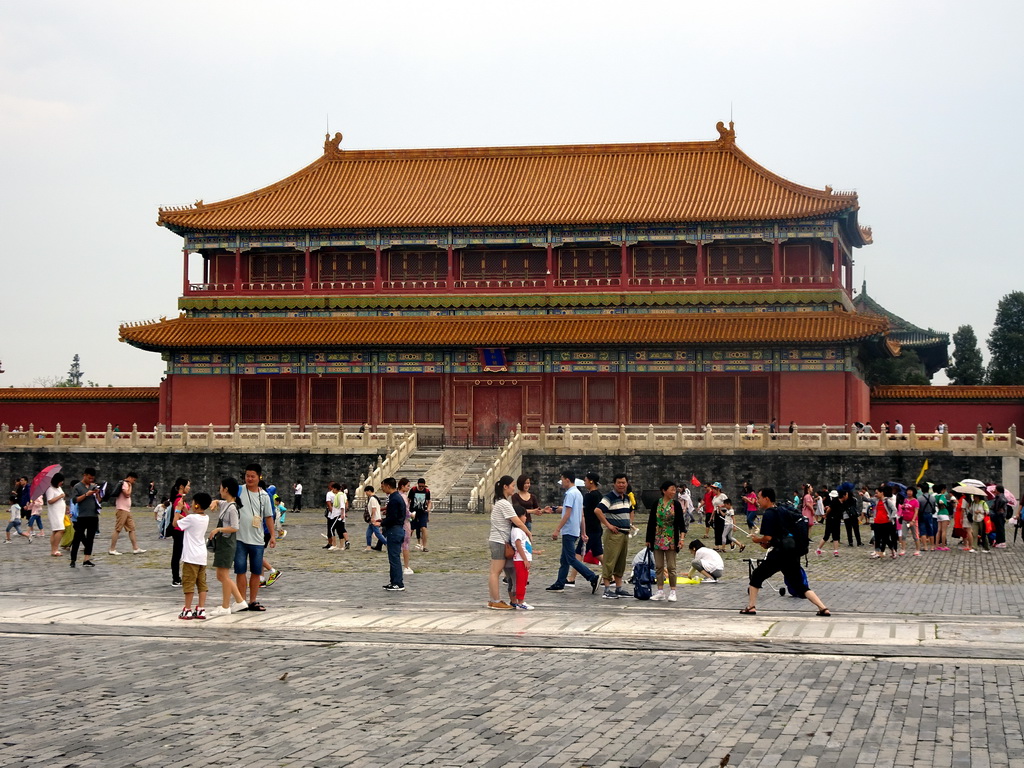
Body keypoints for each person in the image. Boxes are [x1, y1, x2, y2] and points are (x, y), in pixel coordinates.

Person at [741, 487, 830, 616]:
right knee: (799, 585)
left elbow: (768, 537)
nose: (758, 501)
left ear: (767, 498)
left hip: (779, 554)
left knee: (757, 575)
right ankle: (823, 608)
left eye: (759, 498)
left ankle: (751, 606)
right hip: (791, 553)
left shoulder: (769, 514)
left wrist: (757, 540)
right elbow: (780, 535)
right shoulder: (782, 511)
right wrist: (767, 544)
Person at [545, 471, 600, 594]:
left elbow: (567, 514)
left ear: (567, 480)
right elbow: (581, 515)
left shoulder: (570, 494)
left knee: (571, 559)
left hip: (569, 530)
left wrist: (557, 529)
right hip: (574, 530)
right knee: (564, 559)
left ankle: (592, 577)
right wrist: (583, 532)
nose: (562, 482)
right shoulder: (579, 494)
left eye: (562, 480)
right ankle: (560, 583)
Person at [487, 474, 531, 609]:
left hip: (499, 540)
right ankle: (495, 600)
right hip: (499, 541)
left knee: (497, 571)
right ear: (505, 487)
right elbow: (516, 520)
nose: (513, 488)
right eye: (512, 486)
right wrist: (528, 532)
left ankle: (496, 599)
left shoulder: (501, 502)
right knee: (495, 571)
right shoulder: (504, 503)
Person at [207, 477, 248, 618]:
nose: (219, 490)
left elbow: (235, 527)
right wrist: (214, 501)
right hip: (224, 543)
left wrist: (218, 529)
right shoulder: (226, 504)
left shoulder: (232, 508)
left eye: (221, 488)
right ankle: (239, 601)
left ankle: (225, 606)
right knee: (221, 575)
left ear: (226, 489)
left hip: (227, 544)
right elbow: (219, 501)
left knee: (223, 576)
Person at [236, 463, 275, 610]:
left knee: (256, 571)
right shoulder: (239, 490)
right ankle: (241, 601)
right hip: (239, 538)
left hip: (257, 539)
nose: (249, 479)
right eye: (247, 476)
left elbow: (268, 517)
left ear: (259, 477)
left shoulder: (265, 495)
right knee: (240, 570)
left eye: (253, 476)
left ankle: (253, 600)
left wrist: (272, 535)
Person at [593, 473, 635, 598]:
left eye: (623, 482)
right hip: (614, 534)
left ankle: (618, 588)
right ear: (614, 484)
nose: (621, 485)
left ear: (627, 484)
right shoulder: (609, 497)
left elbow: (631, 510)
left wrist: (630, 523)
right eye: (619, 482)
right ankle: (606, 589)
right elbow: (597, 510)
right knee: (609, 561)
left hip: (624, 534)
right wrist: (608, 525)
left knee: (621, 562)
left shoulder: (627, 498)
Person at [645, 480, 687, 601]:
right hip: (657, 537)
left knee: (671, 566)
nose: (673, 492)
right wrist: (649, 539)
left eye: (675, 490)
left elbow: (681, 524)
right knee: (658, 566)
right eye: (671, 489)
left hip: (671, 538)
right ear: (664, 490)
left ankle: (673, 590)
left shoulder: (676, 504)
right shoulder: (656, 504)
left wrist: (682, 538)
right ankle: (660, 590)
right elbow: (651, 522)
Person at [176, 491, 210, 620]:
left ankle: (187, 609)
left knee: (188, 583)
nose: (191, 503)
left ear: (197, 505)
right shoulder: (205, 517)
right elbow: (191, 520)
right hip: (202, 556)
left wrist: (177, 511)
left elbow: (176, 524)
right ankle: (201, 608)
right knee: (202, 584)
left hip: (190, 557)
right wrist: (185, 510)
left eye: (193, 502)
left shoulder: (191, 518)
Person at [70, 468, 102, 568]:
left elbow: (99, 501)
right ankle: (73, 559)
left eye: (92, 478)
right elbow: (75, 500)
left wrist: (97, 494)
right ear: (84, 475)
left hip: (93, 516)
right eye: (89, 478)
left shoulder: (93, 486)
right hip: (82, 516)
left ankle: (87, 559)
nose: (91, 480)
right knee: (77, 538)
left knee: (90, 538)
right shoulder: (77, 486)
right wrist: (86, 494)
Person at [108, 471, 146, 556]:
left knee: (131, 528)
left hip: (127, 510)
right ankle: (112, 549)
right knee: (118, 528)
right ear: (130, 478)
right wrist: (130, 486)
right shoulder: (125, 484)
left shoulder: (126, 484)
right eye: (134, 480)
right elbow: (127, 494)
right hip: (122, 509)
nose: (134, 482)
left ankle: (135, 548)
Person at [380, 477, 406, 591]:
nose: (382, 488)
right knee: (393, 557)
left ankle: (398, 583)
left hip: (394, 530)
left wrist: (381, 523)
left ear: (388, 486)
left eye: (383, 486)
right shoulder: (395, 497)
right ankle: (393, 581)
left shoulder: (394, 499)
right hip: (396, 529)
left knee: (394, 558)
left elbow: (393, 517)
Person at [166, 478, 191, 586]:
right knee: (177, 554)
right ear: (182, 486)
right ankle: (176, 578)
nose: (189, 488)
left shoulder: (181, 498)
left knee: (180, 553)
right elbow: (177, 515)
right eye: (188, 485)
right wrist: (187, 519)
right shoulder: (178, 499)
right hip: (178, 530)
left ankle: (180, 577)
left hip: (182, 529)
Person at [510, 505, 534, 610]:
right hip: (520, 559)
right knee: (521, 581)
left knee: (523, 581)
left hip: (523, 558)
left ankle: (521, 600)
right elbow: (518, 544)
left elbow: (525, 546)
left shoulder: (520, 530)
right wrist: (525, 559)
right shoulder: (517, 531)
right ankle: (520, 602)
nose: (525, 517)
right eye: (524, 515)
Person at [871, 485, 899, 559]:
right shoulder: (876, 500)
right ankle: (878, 552)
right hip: (877, 521)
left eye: (877, 493)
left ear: (882, 493)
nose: (876, 494)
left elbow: (894, 509)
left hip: (885, 522)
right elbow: (868, 499)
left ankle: (893, 550)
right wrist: (862, 496)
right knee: (877, 538)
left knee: (885, 538)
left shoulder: (887, 501)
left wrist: (891, 517)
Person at [45, 473, 67, 557]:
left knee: (55, 531)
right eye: (61, 481)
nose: (62, 483)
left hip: (60, 511)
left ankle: (53, 550)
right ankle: (55, 549)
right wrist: (60, 496)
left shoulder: (59, 488)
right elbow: (50, 501)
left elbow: (62, 499)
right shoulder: (50, 489)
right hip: (54, 512)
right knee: (60, 530)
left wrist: (66, 508)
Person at [815, 490, 843, 556]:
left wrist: (825, 515)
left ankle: (819, 549)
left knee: (826, 536)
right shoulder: (839, 501)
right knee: (835, 536)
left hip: (830, 519)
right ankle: (835, 551)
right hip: (836, 520)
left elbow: (829, 509)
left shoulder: (833, 501)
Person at [409, 478, 432, 552]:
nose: (421, 488)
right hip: (413, 512)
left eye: (423, 486)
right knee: (410, 529)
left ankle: (424, 546)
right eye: (420, 486)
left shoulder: (427, 491)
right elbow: (408, 500)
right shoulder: (413, 490)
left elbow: (429, 502)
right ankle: (405, 545)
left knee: (424, 528)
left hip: (423, 512)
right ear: (417, 485)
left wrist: (428, 509)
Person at [397, 478, 414, 575]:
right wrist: (412, 515)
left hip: (398, 523)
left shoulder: (396, 496)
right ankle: (406, 566)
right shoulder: (403, 497)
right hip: (405, 522)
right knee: (406, 544)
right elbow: (406, 512)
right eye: (407, 486)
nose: (409, 488)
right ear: (402, 486)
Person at [363, 485, 386, 551]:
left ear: (369, 491)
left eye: (366, 492)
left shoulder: (372, 499)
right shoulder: (375, 498)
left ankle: (387, 543)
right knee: (368, 533)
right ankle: (368, 546)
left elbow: (374, 509)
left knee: (378, 533)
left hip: (375, 518)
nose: (366, 494)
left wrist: (372, 517)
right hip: (374, 518)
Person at [933, 483, 952, 550]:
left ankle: (936, 545)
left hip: (939, 513)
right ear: (943, 489)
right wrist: (943, 504)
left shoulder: (936, 496)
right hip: (944, 512)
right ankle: (943, 545)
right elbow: (941, 501)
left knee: (939, 530)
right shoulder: (942, 496)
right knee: (944, 531)